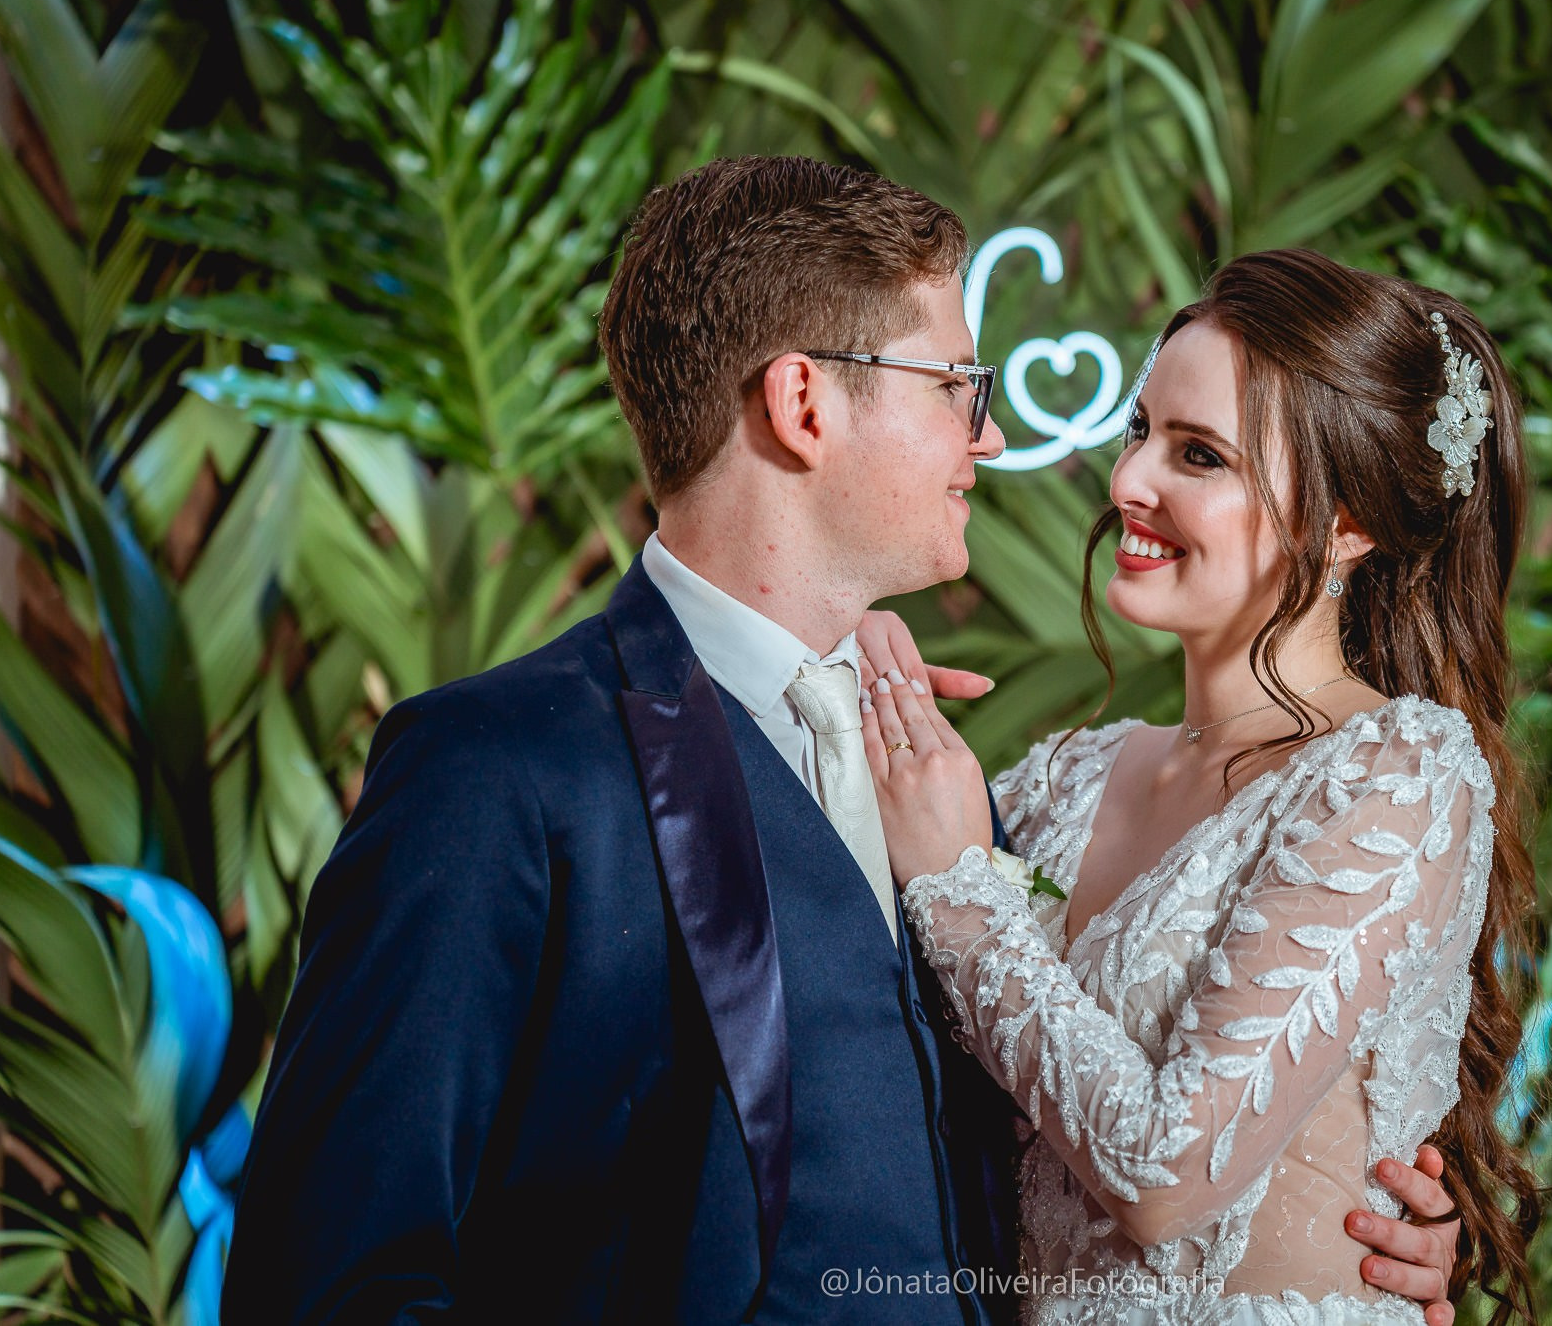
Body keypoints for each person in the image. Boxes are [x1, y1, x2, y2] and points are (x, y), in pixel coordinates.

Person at [219, 163, 1464, 1323]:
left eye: (1191, 452)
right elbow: (331, 1274)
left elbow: (1117, 1125)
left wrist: (1322, 1218)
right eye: (956, 390)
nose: (993, 439)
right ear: (803, 402)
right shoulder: (497, 770)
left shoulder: (956, 788)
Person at [858, 249, 1540, 1323]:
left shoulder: (1391, 775)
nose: (1127, 481)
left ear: (1346, 522)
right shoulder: (1058, 784)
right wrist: (846, 667)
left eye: (1199, 455)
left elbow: (1167, 1176)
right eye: (1138, 433)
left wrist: (958, 893)